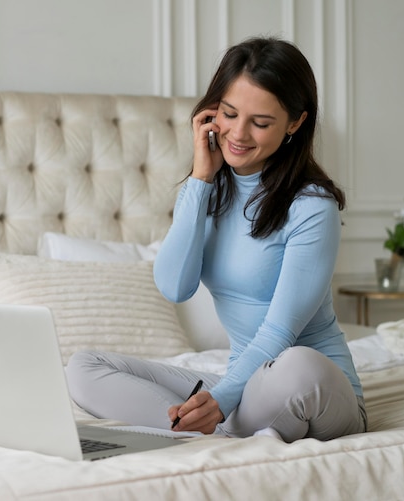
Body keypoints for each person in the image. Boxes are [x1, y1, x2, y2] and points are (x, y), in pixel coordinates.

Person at [66, 36, 366, 442]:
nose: (238, 134)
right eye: (229, 113)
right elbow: (173, 287)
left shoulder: (312, 206)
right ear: (212, 111)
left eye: (260, 123)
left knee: (298, 364)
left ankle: (212, 426)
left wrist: (221, 398)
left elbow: (279, 334)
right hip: (243, 391)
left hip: (313, 391)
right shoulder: (208, 191)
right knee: (84, 367)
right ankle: (201, 428)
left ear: (295, 123)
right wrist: (201, 179)